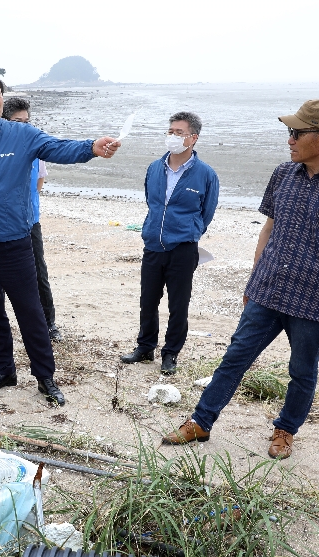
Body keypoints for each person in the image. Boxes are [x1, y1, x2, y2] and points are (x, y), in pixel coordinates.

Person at [162, 100, 319, 460]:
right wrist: (254, 278)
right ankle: (201, 421)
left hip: (314, 299)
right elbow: (269, 229)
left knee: (302, 372)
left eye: (296, 133)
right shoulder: (283, 174)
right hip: (268, 289)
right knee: (234, 358)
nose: (289, 139)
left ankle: (285, 430)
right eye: (288, 132)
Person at [0, 70, 121, 406]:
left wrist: (91, 148)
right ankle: (4, 370)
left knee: (30, 312)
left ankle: (45, 378)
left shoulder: (22, 134)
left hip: (15, 242)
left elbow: (57, 148)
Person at [120, 111, 219, 375]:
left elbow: (207, 212)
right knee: (148, 300)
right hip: (153, 244)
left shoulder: (206, 174)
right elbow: (151, 202)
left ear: (193, 138)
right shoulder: (155, 167)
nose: (173, 137)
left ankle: (171, 353)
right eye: (171, 131)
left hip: (183, 248)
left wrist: (190, 231)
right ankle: (145, 347)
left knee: (178, 304)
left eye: (179, 133)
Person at [1, 97, 62, 342]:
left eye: (27, 121)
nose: (25, 127)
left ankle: (49, 324)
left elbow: (38, 183)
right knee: (1, 276)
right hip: (3, 222)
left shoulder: (37, 149)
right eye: (18, 122)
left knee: (38, 273)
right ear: (5, 123)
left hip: (29, 221)